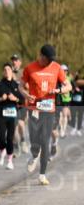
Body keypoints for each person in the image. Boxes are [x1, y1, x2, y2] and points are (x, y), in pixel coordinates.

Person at [20, 44, 70, 186]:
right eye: (47, 59)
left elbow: (68, 86)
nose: (49, 62)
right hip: (34, 109)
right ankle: (34, 154)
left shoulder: (56, 68)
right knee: (35, 139)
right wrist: (25, 94)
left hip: (49, 110)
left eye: (51, 60)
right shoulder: (30, 68)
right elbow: (20, 85)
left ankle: (42, 174)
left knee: (45, 141)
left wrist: (59, 91)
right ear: (40, 55)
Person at [0, 63, 23, 169]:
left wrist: (16, 99)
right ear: (3, 72)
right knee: (2, 139)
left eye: (9, 69)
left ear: (11, 72)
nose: (7, 71)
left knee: (10, 138)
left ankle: (9, 161)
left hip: (12, 115)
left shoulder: (16, 86)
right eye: (5, 70)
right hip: (1, 115)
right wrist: (0, 99)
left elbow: (22, 100)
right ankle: (2, 152)